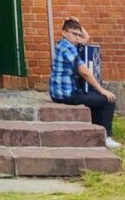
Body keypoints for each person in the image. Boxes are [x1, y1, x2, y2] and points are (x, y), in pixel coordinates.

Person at [49, 17, 121, 150]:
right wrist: (101, 89)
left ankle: (97, 132)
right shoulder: (68, 48)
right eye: (73, 33)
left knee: (94, 98)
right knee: (108, 100)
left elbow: (86, 37)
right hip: (66, 94)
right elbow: (84, 72)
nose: (77, 37)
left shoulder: (65, 44)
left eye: (78, 34)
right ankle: (106, 137)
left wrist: (78, 23)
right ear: (64, 33)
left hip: (60, 93)